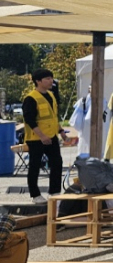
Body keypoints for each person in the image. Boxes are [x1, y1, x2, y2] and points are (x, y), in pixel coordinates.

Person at [22, 68, 67, 202]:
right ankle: (35, 195)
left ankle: (54, 192)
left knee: (57, 163)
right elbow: (29, 119)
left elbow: (53, 117)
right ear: (38, 81)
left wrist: (61, 131)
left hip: (51, 136)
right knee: (35, 166)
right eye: (47, 79)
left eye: (51, 78)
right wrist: (41, 135)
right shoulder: (31, 98)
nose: (50, 81)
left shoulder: (51, 95)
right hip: (36, 138)